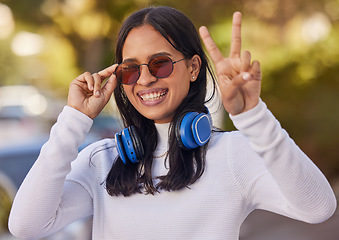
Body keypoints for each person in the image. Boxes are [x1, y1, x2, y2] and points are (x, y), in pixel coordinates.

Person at [9, 6, 336, 240]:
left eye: (160, 64)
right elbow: (26, 226)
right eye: (130, 69)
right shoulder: (102, 160)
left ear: (194, 68)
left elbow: (318, 208)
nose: (146, 79)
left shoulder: (234, 154)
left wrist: (253, 115)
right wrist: (73, 121)